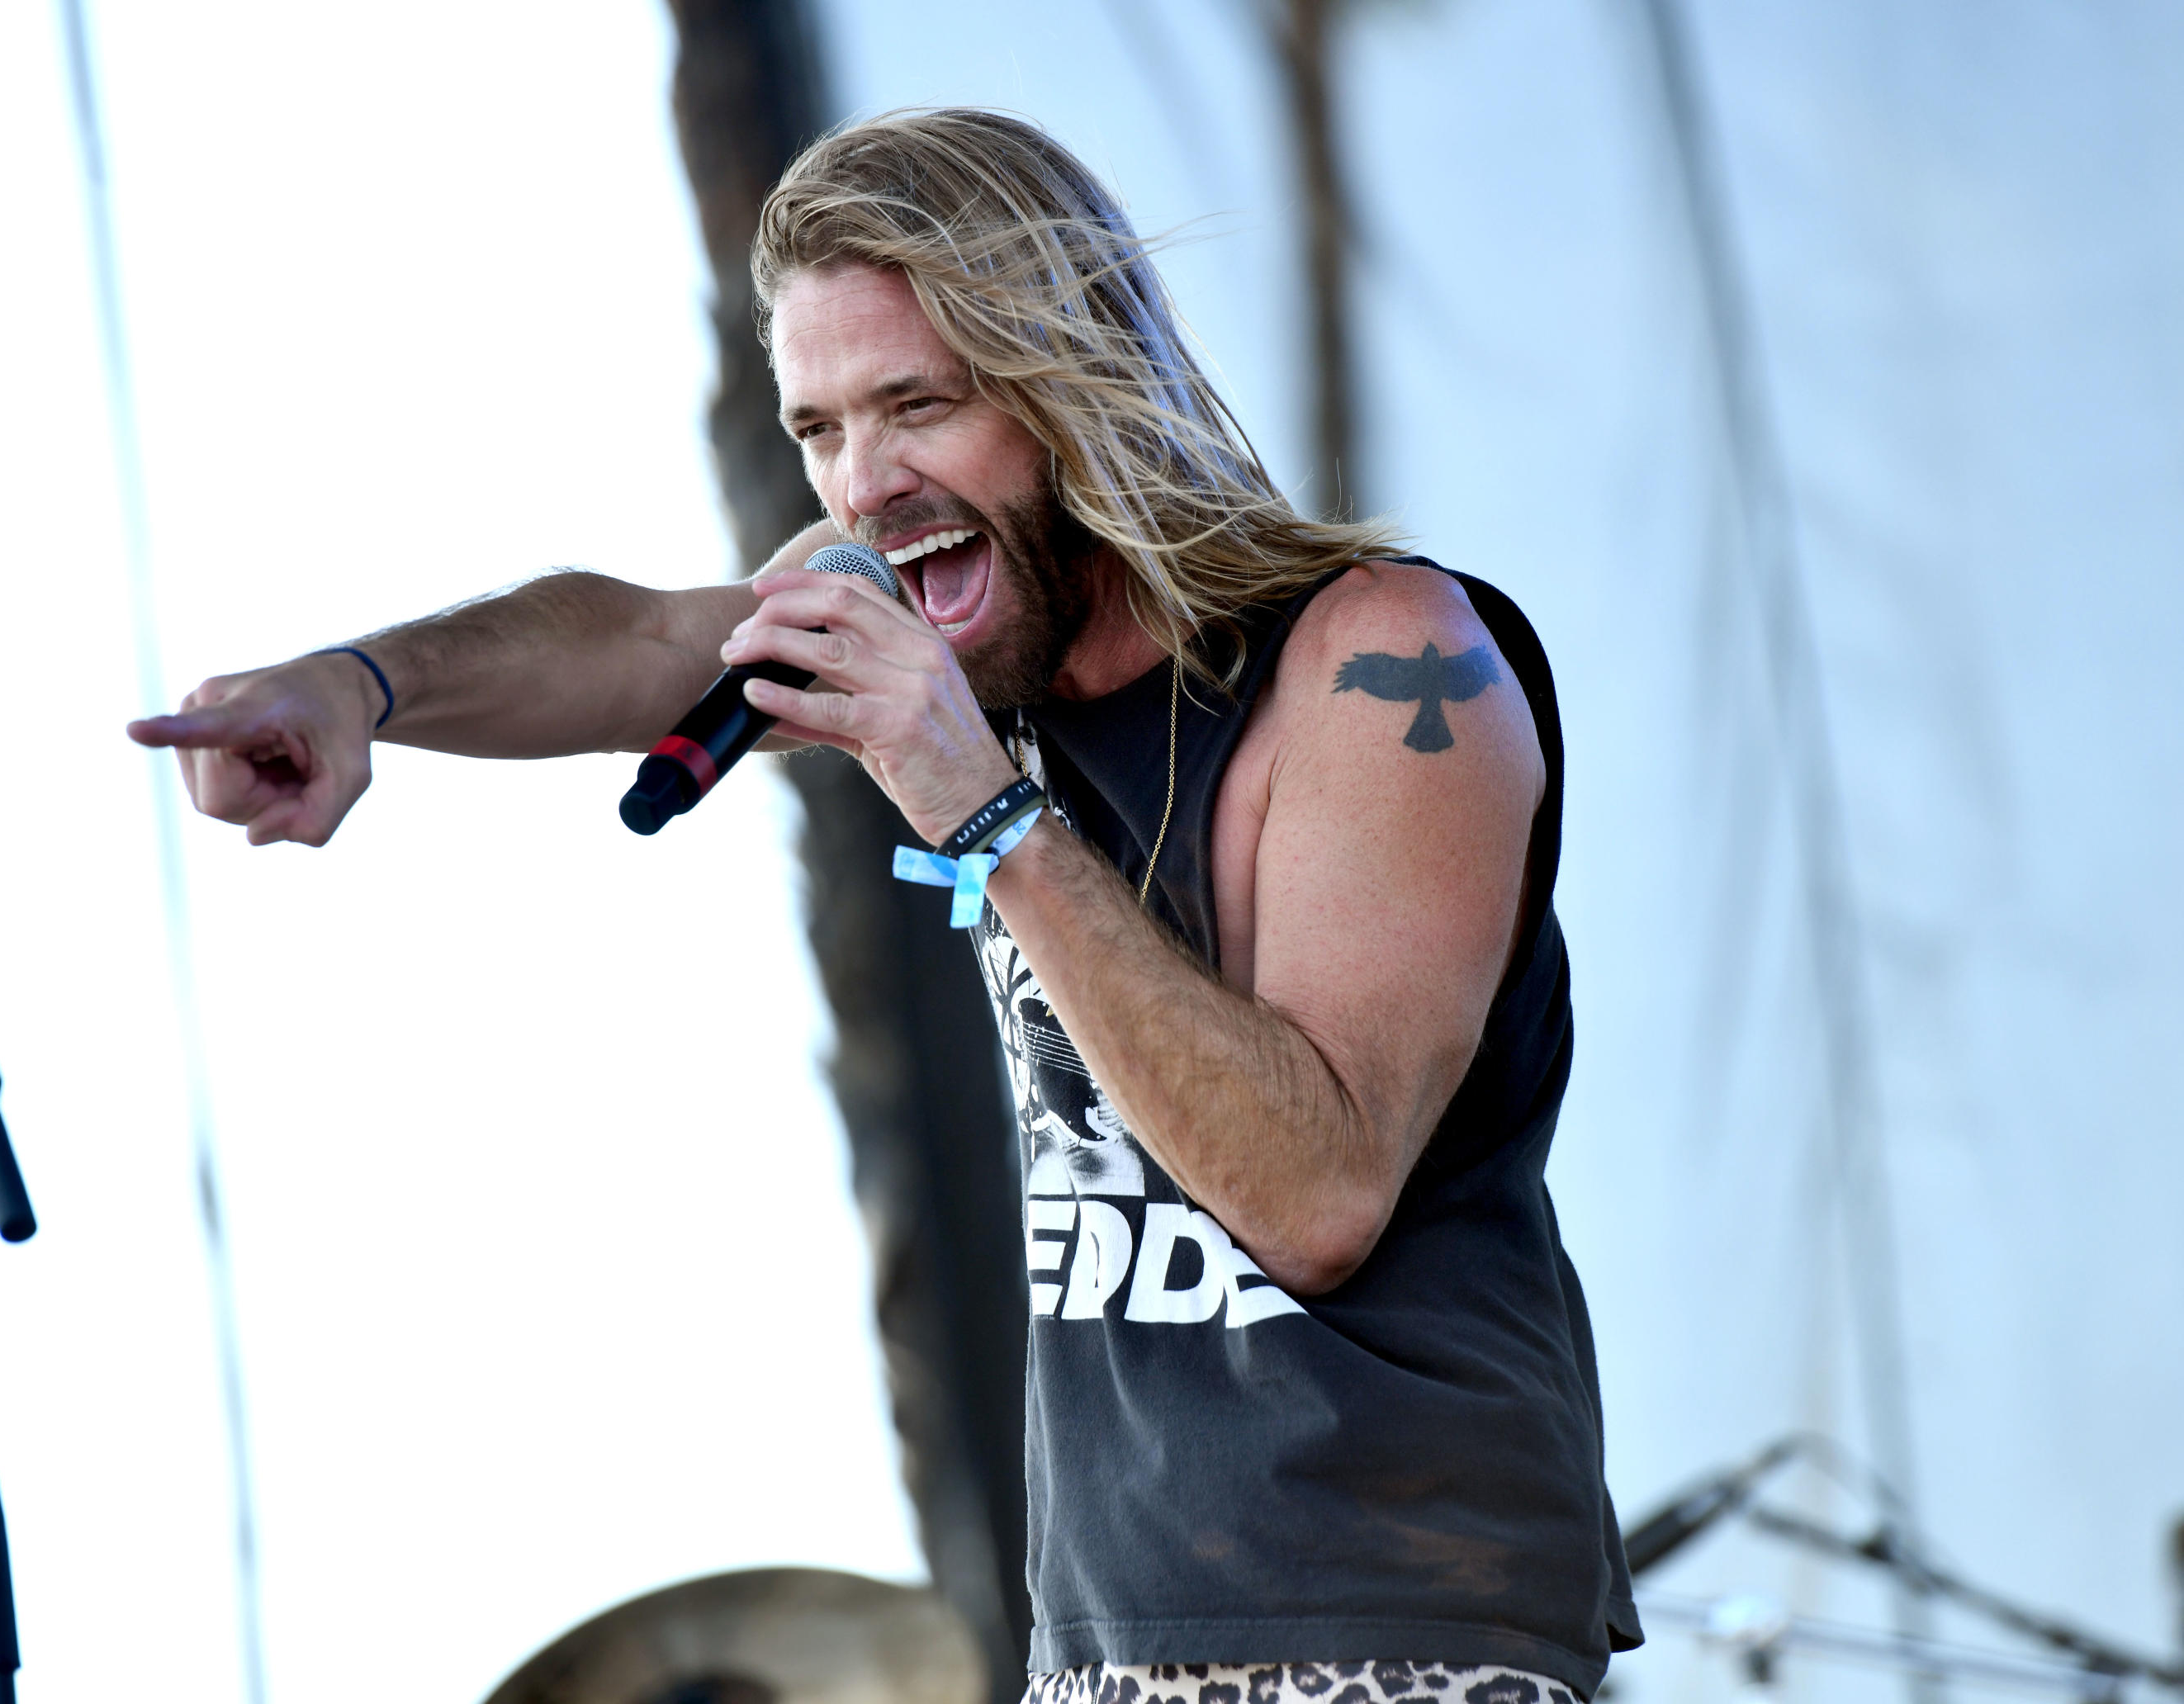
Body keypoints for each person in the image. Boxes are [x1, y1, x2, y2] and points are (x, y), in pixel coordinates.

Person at [130, 109, 1640, 1704]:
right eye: (820, 430)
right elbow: (634, 631)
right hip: (1111, 1640)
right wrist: (361, 683)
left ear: (1076, 379)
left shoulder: (1388, 659)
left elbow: (1318, 1195)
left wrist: (978, 804)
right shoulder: (968, 656)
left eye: (919, 405)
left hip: (1401, 1630)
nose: (867, 486)